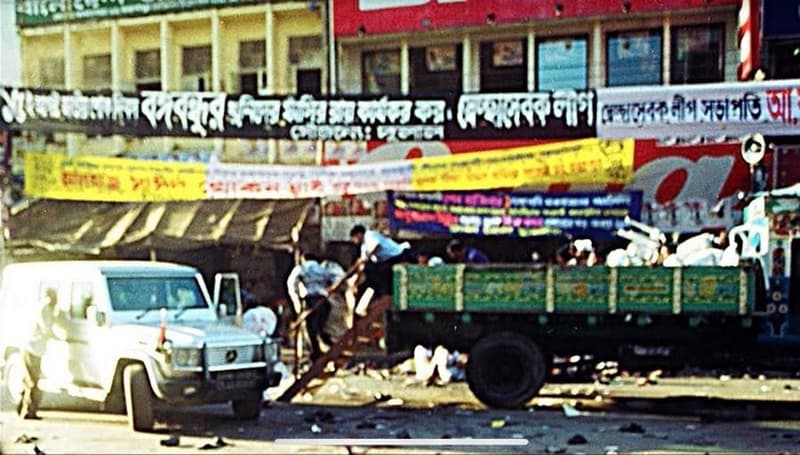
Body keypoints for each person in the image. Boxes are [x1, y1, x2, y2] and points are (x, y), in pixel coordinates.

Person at [18, 287, 66, 420]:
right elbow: (46, 329)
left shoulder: (46, 308)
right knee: (33, 382)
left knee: (28, 381)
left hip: (35, 349)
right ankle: (28, 412)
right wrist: (60, 339)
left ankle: (23, 409)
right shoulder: (44, 308)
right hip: (32, 349)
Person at [286, 252, 342, 361]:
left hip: (310, 299)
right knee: (321, 325)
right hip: (323, 300)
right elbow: (337, 277)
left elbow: (292, 282)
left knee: (310, 328)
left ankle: (316, 351)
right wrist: (331, 288)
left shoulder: (302, 268)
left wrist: (296, 298)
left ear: (304, 259)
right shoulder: (323, 268)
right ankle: (328, 343)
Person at [342, 224, 417, 299]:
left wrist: (368, 256)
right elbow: (361, 265)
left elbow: (377, 246)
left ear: (359, 234)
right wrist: (355, 283)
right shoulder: (363, 247)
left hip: (400, 254)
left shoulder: (369, 235)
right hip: (389, 260)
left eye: (354, 238)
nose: (353, 241)